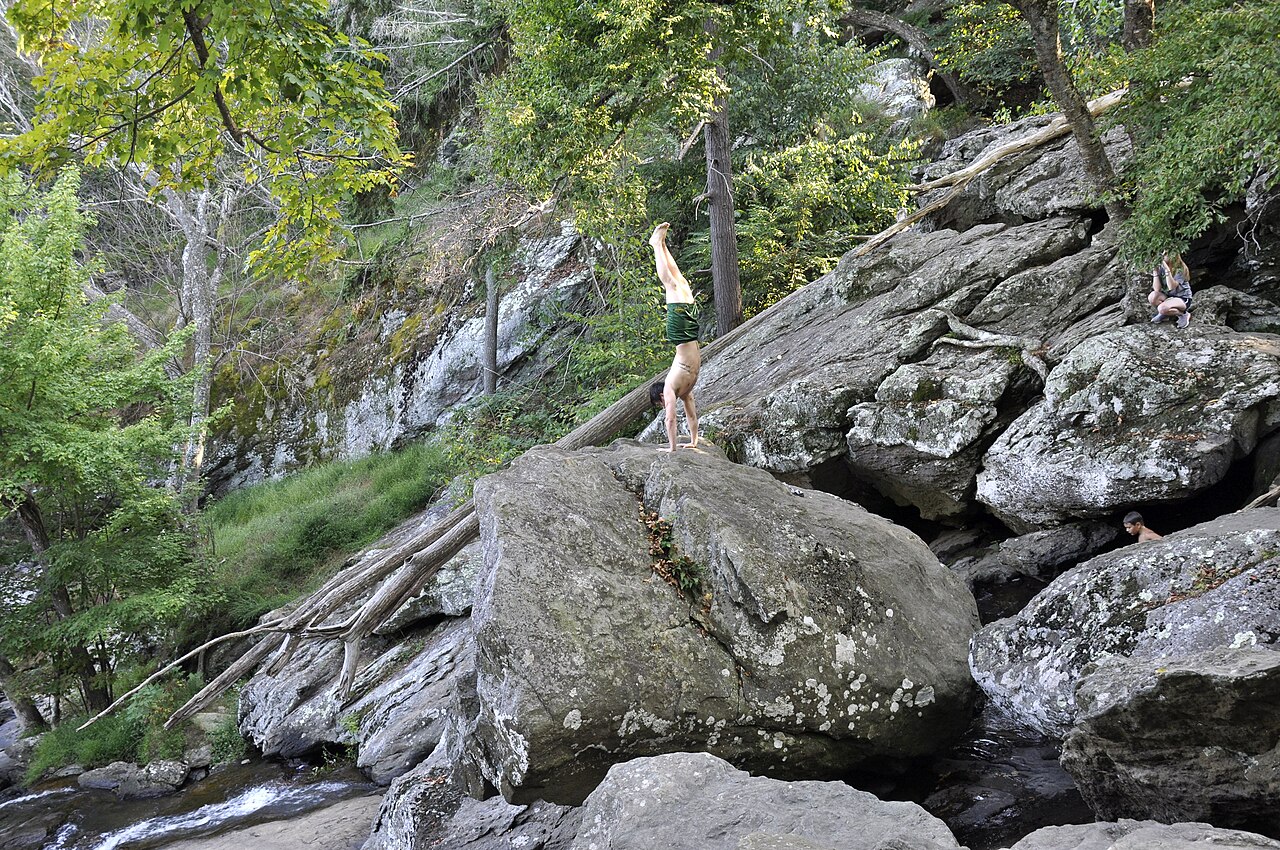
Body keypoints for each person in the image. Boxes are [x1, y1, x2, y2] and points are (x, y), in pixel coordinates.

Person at [649, 222, 700, 452]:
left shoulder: (669, 388)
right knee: (682, 284)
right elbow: (691, 415)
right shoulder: (685, 391)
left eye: (662, 404)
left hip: (680, 334)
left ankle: (657, 245)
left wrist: (672, 448)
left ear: (661, 396)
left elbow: (671, 420)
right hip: (689, 334)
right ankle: (662, 244)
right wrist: (694, 441)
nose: (666, 406)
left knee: (671, 285)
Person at [1150, 251, 1193, 329]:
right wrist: (1155, 272)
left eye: (1166, 254)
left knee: (1162, 308)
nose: (1163, 256)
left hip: (1183, 298)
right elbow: (1157, 289)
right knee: (1152, 297)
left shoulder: (1180, 269)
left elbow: (1172, 287)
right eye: (1161, 254)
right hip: (1169, 297)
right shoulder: (1161, 268)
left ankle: (1183, 314)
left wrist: (1167, 271)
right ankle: (1166, 312)